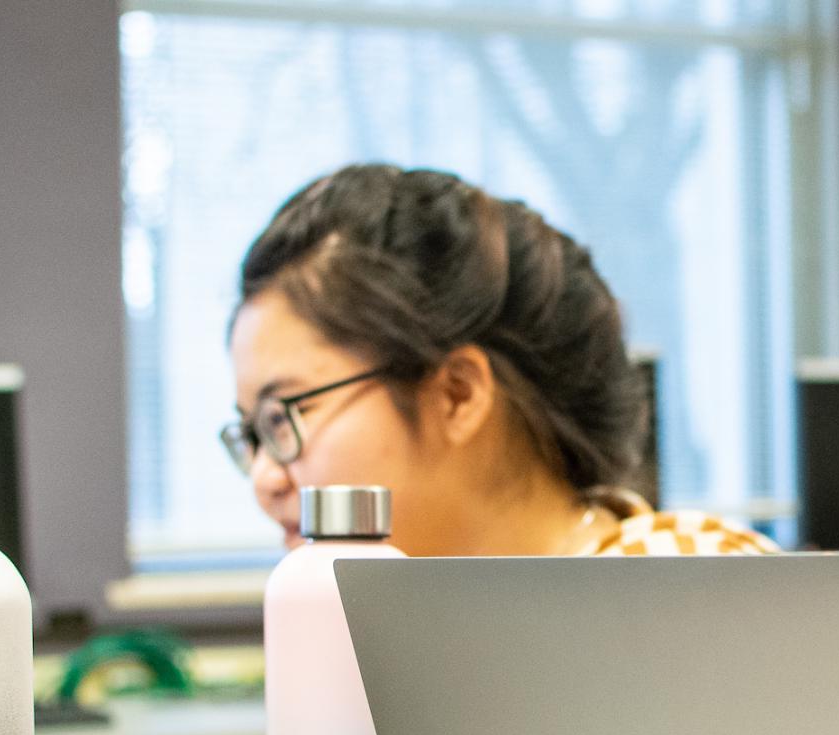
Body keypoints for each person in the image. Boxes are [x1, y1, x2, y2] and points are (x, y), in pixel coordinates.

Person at [225, 163, 773, 558]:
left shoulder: (685, 589)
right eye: (252, 435)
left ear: (457, 394)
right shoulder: (421, 639)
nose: (265, 478)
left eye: (282, 417)